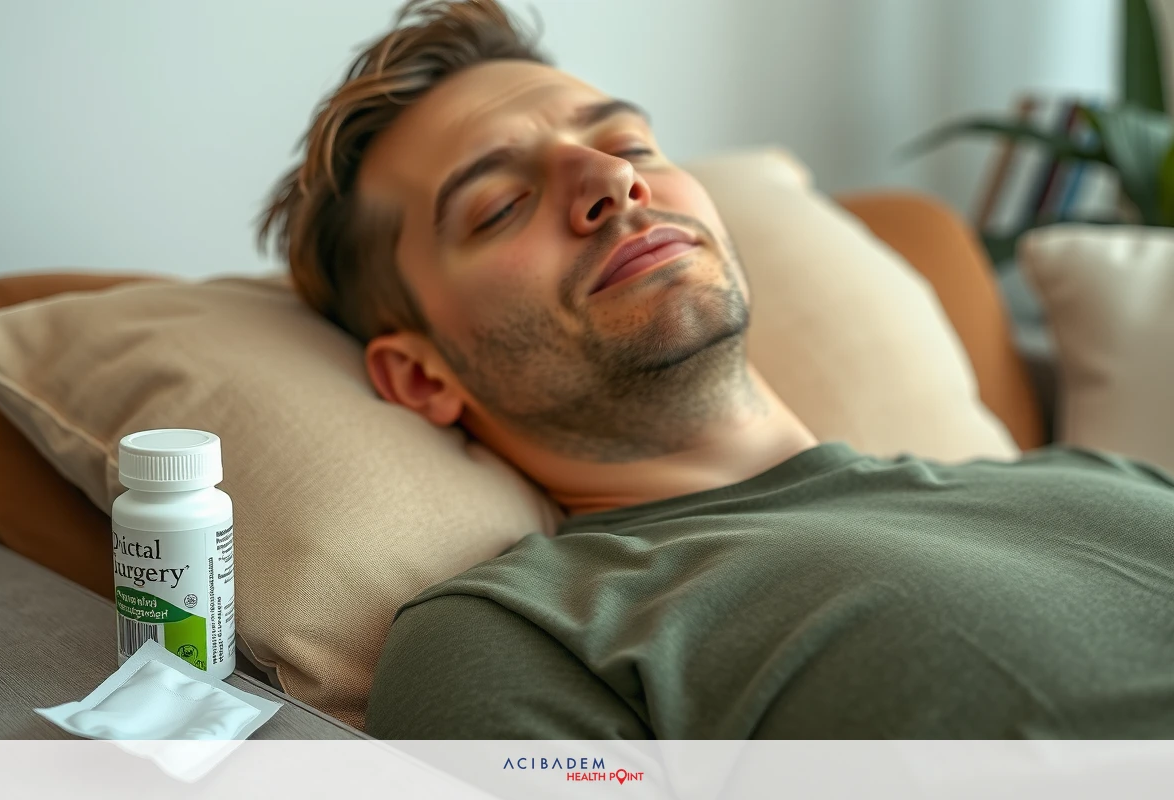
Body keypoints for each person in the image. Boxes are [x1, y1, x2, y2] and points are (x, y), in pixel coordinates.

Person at [260, 0, 1174, 739]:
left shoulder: (1093, 475)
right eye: (500, 205)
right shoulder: (525, 633)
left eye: (628, 146)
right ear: (421, 377)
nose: (614, 184)